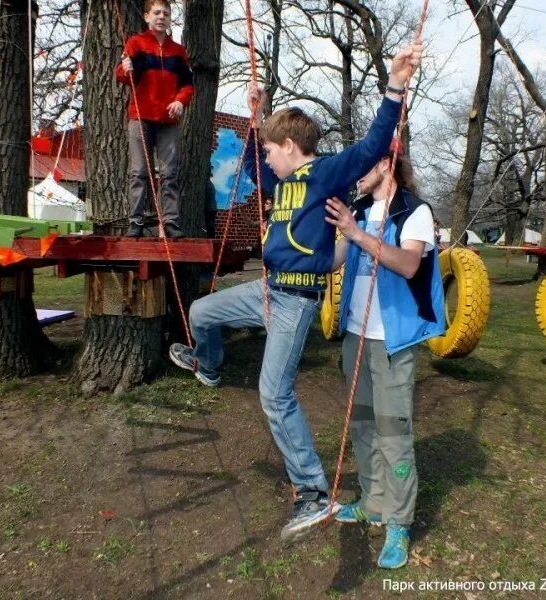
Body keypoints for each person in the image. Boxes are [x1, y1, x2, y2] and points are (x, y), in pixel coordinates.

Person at [168, 40, 424, 543]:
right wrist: (256, 115)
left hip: (294, 302)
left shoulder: (323, 173)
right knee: (200, 312)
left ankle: (312, 490)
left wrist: (395, 86)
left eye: (270, 148)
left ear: (289, 147)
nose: (266, 158)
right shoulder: (279, 181)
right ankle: (210, 365)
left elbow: (372, 146)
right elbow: (253, 166)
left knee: (274, 394)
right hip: (266, 288)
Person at [324, 146, 446, 569]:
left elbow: (410, 265)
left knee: (393, 433)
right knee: (361, 425)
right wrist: (303, 243)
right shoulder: (357, 209)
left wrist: (358, 234)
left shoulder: (414, 211)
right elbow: (336, 258)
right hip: (355, 337)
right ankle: (373, 501)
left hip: (392, 342)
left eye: (364, 166)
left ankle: (398, 522)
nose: (356, 174)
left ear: (384, 165)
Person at [116, 0, 194, 238]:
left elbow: (188, 84)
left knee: (169, 173)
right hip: (140, 116)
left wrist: (180, 101)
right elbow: (123, 76)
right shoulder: (136, 43)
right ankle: (136, 222)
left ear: (170, 18)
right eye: (157, 12)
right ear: (147, 17)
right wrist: (124, 67)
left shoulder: (178, 51)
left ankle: (171, 221)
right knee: (139, 171)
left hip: (167, 120)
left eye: (166, 13)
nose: (162, 16)